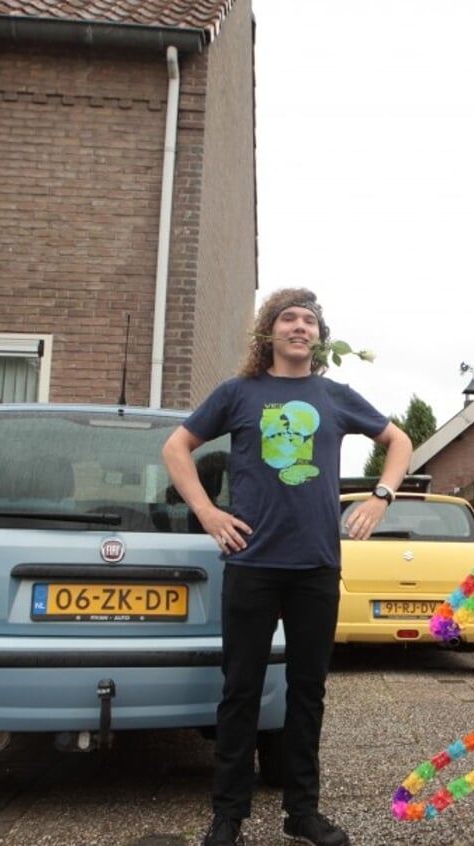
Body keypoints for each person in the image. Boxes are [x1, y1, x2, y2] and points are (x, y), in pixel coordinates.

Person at [163, 288, 412, 846]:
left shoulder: (336, 396)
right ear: (269, 333)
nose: (299, 327)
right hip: (251, 562)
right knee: (240, 689)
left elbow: (399, 441)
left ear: (320, 337)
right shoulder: (238, 393)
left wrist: (379, 496)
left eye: (309, 321)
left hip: (317, 565)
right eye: (288, 319)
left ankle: (303, 813)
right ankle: (228, 816)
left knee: (308, 691)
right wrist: (206, 511)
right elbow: (176, 448)